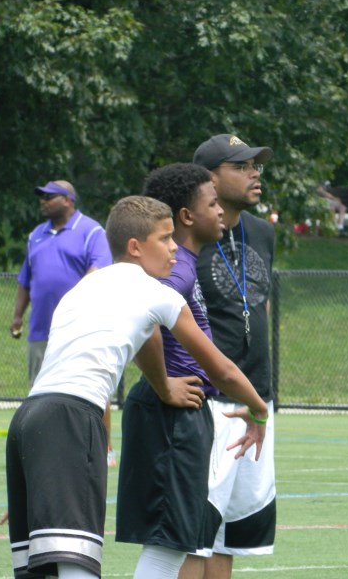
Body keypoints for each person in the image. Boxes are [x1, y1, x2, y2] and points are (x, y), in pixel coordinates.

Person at [5, 195, 268, 579]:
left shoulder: (86, 286)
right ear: (135, 247)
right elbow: (221, 370)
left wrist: (163, 386)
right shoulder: (157, 293)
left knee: (47, 571)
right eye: (164, 238)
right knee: (79, 568)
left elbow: (147, 339)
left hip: (29, 420)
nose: (174, 247)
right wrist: (258, 410)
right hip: (71, 418)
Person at [116, 164, 269, 579]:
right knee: (170, 546)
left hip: (180, 412)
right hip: (172, 415)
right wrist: (163, 383)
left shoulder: (183, 265)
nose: (220, 212)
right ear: (187, 216)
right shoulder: (178, 270)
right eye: (212, 204)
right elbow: (144, 315)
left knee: (175, 544)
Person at [188, 134, 276, 579]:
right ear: (210, 178)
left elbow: (259, 303)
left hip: (256, 398)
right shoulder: (187, 233)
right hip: (208, 400)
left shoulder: (262, 232)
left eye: (255, 165)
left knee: (230, 536)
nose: (254, 173)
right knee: (194, 533)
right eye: (240, 166)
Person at [9, 180, 118, 466]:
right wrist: (18, 316)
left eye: (50, 197)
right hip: (41, 329)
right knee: (40, 392)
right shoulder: (36, 235)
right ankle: (46, 450)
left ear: (68, 200)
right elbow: (25, 280)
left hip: (81, 328)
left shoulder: (91, 231)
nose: (43, 201)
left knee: (94, 388)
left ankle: (104, 448)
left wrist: (73, 305)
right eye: (42, 197)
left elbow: (99, 271)